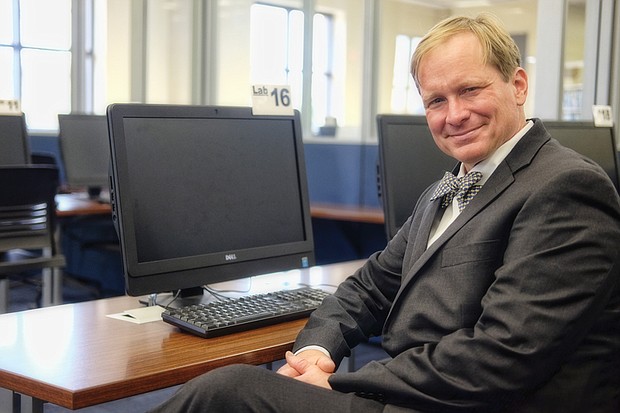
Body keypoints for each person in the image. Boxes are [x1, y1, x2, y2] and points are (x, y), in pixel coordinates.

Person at [148, 13, 620, 413]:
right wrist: (317, 351)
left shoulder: (565, 186)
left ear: (517, 85)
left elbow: (503, 355)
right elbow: (371, 286)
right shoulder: (446, 187)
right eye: (436, 100)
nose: (453, 114)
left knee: (227, 391)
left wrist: (342, 383)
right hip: (418, 394)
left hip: (473, 402)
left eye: (470, 90)